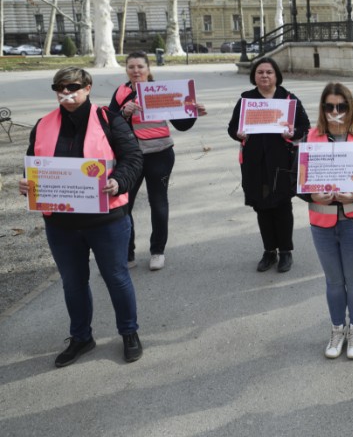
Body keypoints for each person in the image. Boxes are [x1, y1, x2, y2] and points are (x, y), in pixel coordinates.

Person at [18, 67, 144, 367]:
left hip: (106, 219)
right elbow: (33, 164)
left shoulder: (108, 119)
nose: (66, 92)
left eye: (72, 86)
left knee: (116, 278)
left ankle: (129, 333)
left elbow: (133, 158)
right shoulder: (43, 124)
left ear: (87, 88)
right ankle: (81, 338)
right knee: (73, 283)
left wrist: (119, 181)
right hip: (61, 224)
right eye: (59, 87)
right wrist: (27, 182)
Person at [299, 83, 353, 359]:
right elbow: (297, 181)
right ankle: (337, 330)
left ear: (350, 108)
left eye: (341, 106)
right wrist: (312, 194)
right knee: (334, 281)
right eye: (329, 106)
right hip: (321, 222)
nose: (335, 111)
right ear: (323, 110)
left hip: (352, 222)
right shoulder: (310, 138)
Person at [109, 52, 207, 271]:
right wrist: (124, 112)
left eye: (140, 67)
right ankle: (127, 253)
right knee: (124, 204)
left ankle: (157, 251)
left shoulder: (162, 91)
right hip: (130, 158)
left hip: (160, 153)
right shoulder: (121, 92)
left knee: (159, 203)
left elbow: (181, 125)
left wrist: (193, 112)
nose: (136, 71)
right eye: (131, 67)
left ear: (148, 68)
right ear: (126, 69)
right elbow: (109, 124)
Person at [227, 57, 310, 273]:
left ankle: (285, 252)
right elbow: (232, 128)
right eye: (260, 72)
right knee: (261, 207)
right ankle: (269, 251)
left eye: (269, 72)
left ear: (276, 76)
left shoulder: (288, 99)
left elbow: (305, 126)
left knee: (282, 206)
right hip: (254, 163)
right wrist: (238, 134)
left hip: (281, 162)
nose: (264, 75)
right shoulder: (246, 100)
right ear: (254, 76)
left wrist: (294, 133)